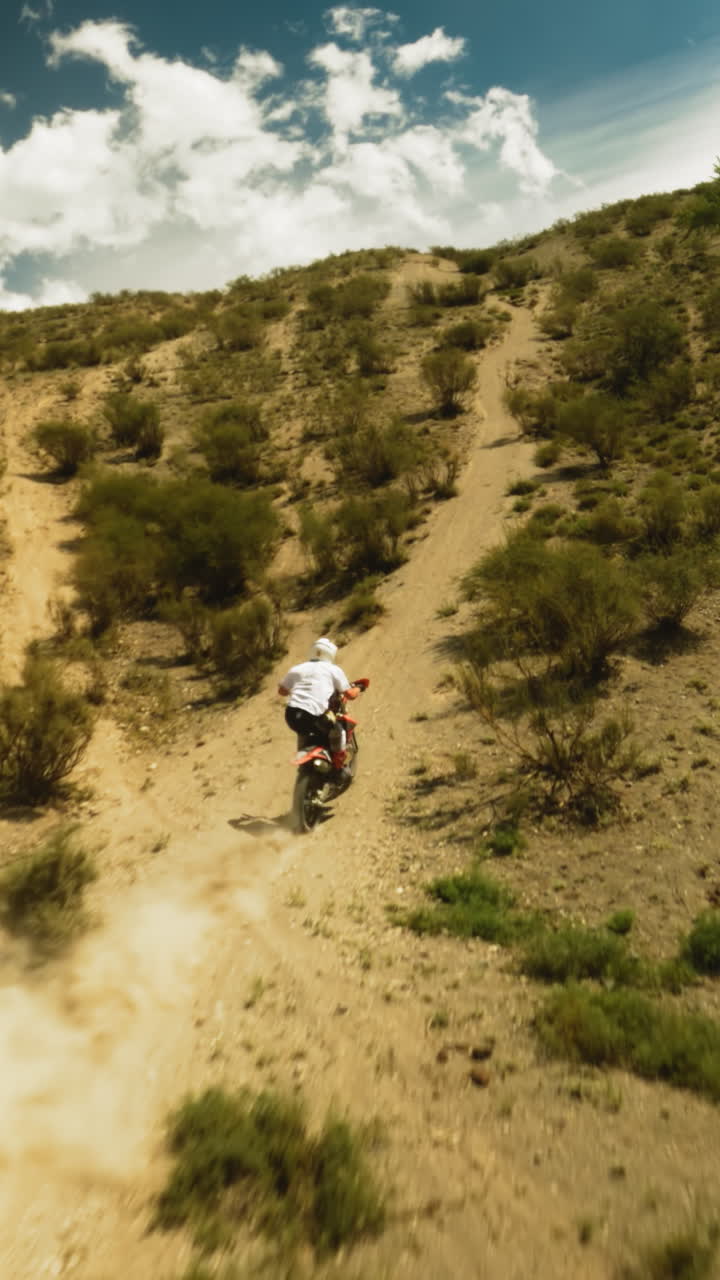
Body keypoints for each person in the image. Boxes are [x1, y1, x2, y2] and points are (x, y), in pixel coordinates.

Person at [278, 637, 359, 776]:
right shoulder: (333, 669)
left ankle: (304, 764)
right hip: (311, 715)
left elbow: (282, 691)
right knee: (339, 731)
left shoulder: (297, 669)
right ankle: (339, 768)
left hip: (291, 715)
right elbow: (350, 694)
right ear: (331, 654)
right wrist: (358, 688)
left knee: (304, 729)